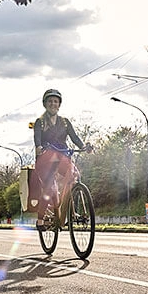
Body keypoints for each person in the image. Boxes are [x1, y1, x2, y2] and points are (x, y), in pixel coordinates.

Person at [32, 88, 92, 230]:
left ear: (59, 105)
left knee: (74, 175)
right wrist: (39, 146)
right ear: (45, 104)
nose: (53, 104)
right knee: (49, 188)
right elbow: (37, 137)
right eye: (50, 101)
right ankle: (40, 220)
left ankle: (69, 210)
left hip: (61, 155)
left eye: (56, 101)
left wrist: (83, 146)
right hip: (45, 158)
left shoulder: (65, 122)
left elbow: (74, 137)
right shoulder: (40, 122)